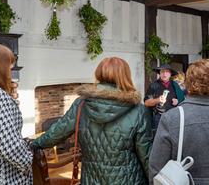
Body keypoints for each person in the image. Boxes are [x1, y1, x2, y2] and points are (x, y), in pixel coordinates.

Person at [33, 57, 152, 185]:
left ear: (99, 73)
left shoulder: (81, 104)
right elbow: (145, 156)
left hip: (91, 179)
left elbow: (57, 132)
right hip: (129, 180)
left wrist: (34, 144)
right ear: (126, 76)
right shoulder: (139, 110)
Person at [0, 42, 33, 184]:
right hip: (2, 176)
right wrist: (29, 160)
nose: (11, 71)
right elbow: (11, 146)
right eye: (9, 66)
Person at [144, 64, 185, 132]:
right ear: (159, 73)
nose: (164, 74)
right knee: (158, 139)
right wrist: (158, 100)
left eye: (167, 72)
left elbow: (183, 99)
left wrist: (178, 101)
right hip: (159, 118)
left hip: (173, 117)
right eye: (162, 71)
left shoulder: (175, 85)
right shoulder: (153, 85)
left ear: (170, 74)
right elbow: (146, 103)